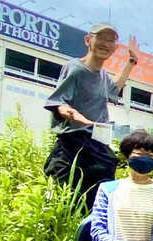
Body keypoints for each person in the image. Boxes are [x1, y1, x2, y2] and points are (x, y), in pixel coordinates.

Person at [43, 22, 139, 210]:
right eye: (101, 38)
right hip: (75, 144)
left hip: (97, 146)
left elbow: (113, 90)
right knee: (65, 202)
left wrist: (131, 61)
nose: (106, 43)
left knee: (97, 205)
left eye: (111, 40)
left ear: (116, 48)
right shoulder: (76, 68)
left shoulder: (102, 75)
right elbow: (58, 100)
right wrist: (68, 112)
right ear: (88, 40)